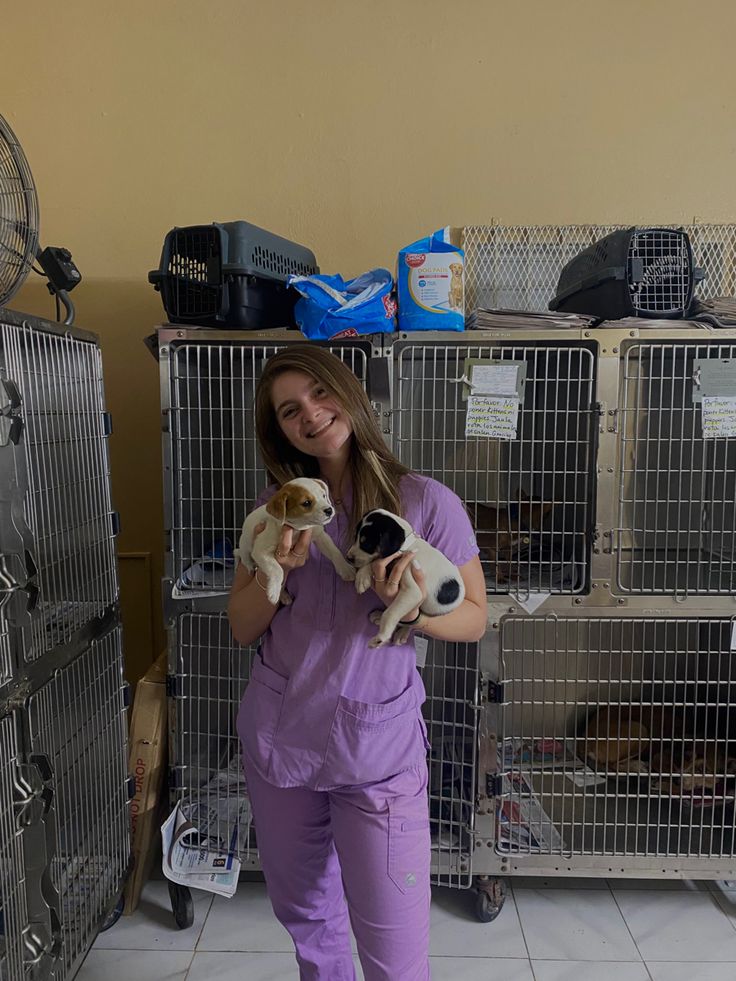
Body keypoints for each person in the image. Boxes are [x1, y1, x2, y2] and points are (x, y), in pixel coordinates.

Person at [228, 346, 487, 980]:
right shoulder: (278, 510)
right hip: (281, 739)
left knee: (394, 948)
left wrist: (413, 611)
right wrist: (274, 575)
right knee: (309, 922)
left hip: (377, 752)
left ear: (349, 392)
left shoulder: (426, 502)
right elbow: (241, 626)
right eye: (290, 411)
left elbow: (476, 615)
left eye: (319, 394)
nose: (310, 416)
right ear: (280, 430)